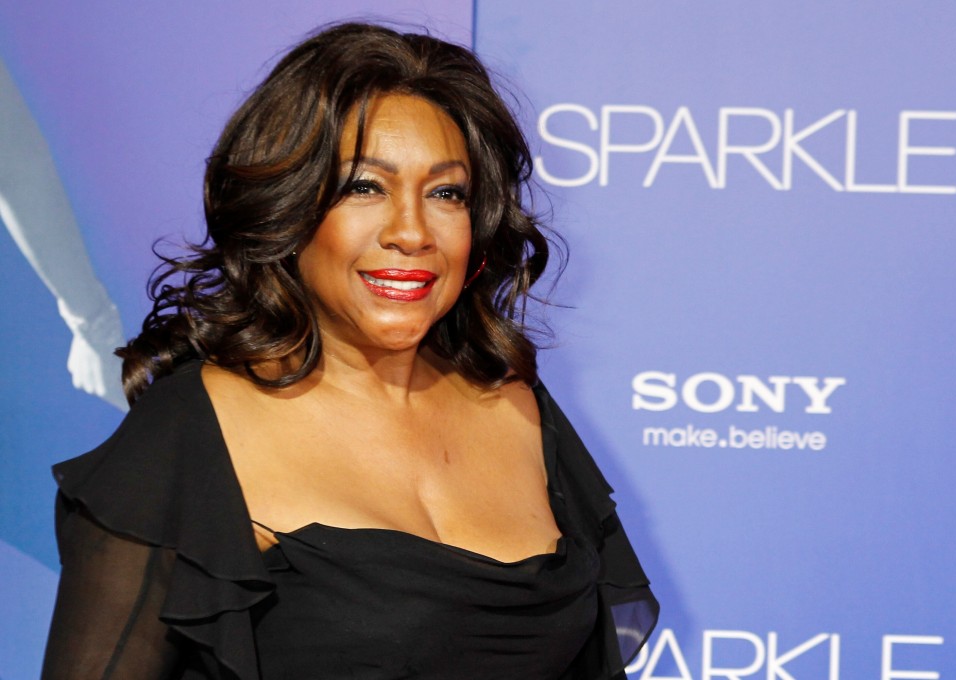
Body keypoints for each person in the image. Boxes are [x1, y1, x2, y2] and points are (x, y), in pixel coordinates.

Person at [42, 22, 658, 679]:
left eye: (446, 193)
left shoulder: (517, 404)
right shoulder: (192, 431)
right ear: (287, 209)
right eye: (365, 186)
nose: (412, 231)